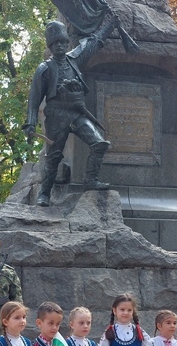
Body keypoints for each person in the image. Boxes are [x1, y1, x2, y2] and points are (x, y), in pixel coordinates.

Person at [24, 18, 117, 207]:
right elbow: (34, 99)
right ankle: (44, 194)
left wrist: (110, 25)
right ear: (50, 46)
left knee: (99, 143)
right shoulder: (44, 69)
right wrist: (30, 123)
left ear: (67, 43)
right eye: (55, 43)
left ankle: (90, 180)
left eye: (63, 42)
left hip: (77, 113)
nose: (59, 46)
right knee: (54, 156)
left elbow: (94, 42)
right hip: (56, 116)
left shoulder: (74, 59)